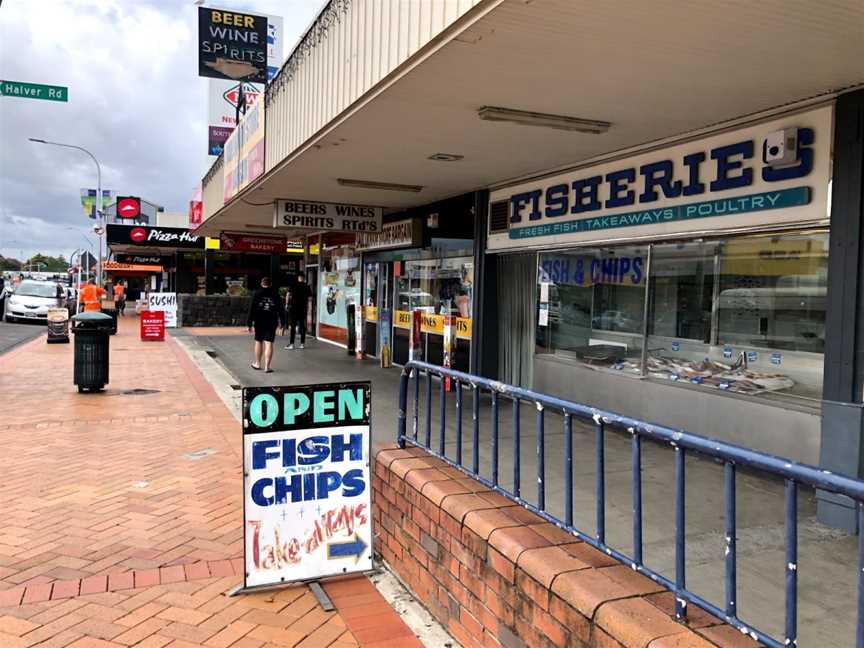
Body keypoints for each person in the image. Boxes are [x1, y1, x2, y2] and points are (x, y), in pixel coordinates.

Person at [247, 277, 285, 373]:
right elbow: (281, 310)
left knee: (258, 341)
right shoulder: (276, 295)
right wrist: (283, 323)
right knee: (269, 343)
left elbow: (251, 309)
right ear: (270, 284)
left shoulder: (256, 293)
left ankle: (257, 363)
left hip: (259, 321)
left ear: (261, 283)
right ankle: (267, 367)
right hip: (272, 321)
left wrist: (249, 323)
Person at [285, 274, 312, 350]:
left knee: (293, 326)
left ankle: (292, 344)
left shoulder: (293, 285)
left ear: (298, 278)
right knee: (302, 326)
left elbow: (288, 294)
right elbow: (310, 298)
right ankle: (302, 344)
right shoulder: (307, 286)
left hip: (293, 308)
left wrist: (287, 304)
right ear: (304, 279)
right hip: (303, 308)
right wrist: (309, 307)